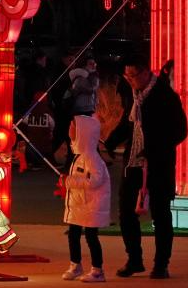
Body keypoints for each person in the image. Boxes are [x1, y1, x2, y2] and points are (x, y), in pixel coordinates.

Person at [104, 53, 187, 279]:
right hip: (133, 162)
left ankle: (161, 264)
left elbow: (180, 130)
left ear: (145, 72)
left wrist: (155, 148)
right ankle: (134, 259)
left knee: (160, 214)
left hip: (158, 164)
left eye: (133, 75)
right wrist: (110, 141)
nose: (129, 79)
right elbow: (128, 124)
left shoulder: (165, 95)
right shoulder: (134, 95)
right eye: (126, 76)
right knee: (126, 212)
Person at [60, 115, 111, 282]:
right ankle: (75, 265)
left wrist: (70, 181)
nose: (70, 128)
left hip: (91, 205)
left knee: (91, 236)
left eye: (73, 126)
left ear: (83, 133)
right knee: (73, 234)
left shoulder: (91, 157)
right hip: (80, 204)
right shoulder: (79, 155)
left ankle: (97, 270)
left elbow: (95, 181)